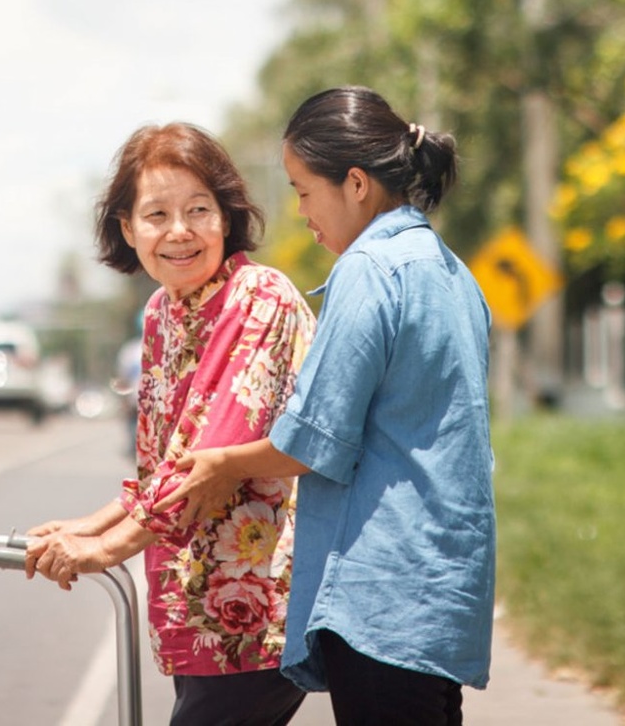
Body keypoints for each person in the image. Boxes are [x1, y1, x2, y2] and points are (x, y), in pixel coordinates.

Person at [155, 87, 496, 726]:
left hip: (380, 595)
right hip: (441, 589)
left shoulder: (370, 269)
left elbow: (312, 440)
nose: (303, 211)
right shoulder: (451, 270)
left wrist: (221, 462)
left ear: (357, 184)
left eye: (305, 190)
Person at [24, 122, 316, 726]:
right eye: (156, 214)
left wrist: (105, 549)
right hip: (190, 597)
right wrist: (88, 524)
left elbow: (206, 462)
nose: (179, 232)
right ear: (128, 230)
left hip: (260, 602)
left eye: (198, 210)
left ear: (226, 218)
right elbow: (163, 464)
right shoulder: (162, 311)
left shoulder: (258, 297)